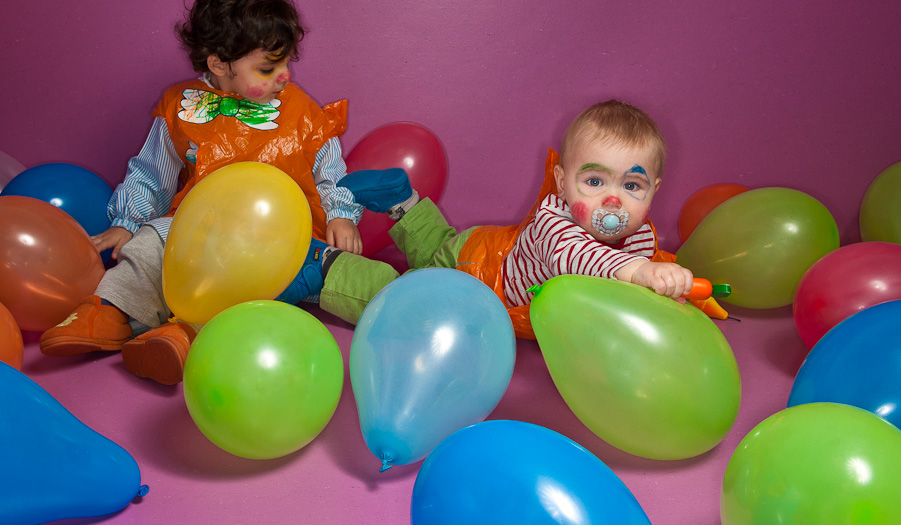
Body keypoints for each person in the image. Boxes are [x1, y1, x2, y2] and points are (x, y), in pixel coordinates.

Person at [39, 0, 409, 384]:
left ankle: (409, 305)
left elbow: (329, 171)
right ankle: (109, 311)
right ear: (218, 64)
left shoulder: (302, 112)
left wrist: (340, 214)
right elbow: (152, 175)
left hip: (289, 245)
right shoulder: (181, 110)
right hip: (200, 241)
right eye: (267, 68)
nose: (284, 77)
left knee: (354, 275)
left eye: (285, 63)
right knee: (149, 245)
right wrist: (128, 222)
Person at [301, 99, 699, 339]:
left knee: (437, 247)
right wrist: (640, 272)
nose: (612, 201)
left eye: (632, 186)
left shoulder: (640, 240)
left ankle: (402, 200)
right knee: (411, 299)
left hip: (481, 246)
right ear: (561, 183)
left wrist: (665, 291)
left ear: (654, 191)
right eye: (594, 181)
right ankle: (330, 269)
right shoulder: (553, 225)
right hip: (475, 275)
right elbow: (582, 260)